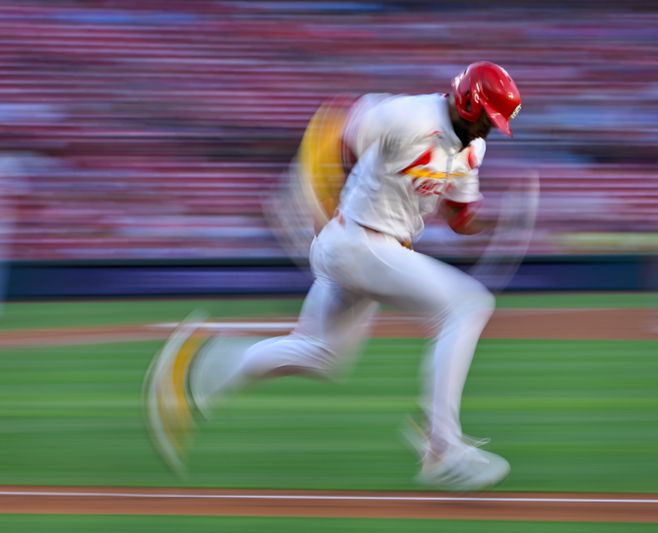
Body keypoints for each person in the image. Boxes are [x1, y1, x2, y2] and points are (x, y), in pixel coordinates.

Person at [145, 61, 523, 491]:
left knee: (320, 354)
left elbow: (459, 217)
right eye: (487, 121)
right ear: (467, 104)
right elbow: (334, 125)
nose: (488, 132)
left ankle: (198, 367)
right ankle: (442, 446)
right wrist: (315, 202)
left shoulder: (471, 148)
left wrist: (495, 223)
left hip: (370, 249)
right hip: (357, 242)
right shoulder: (410, 116)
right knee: (469, 304)